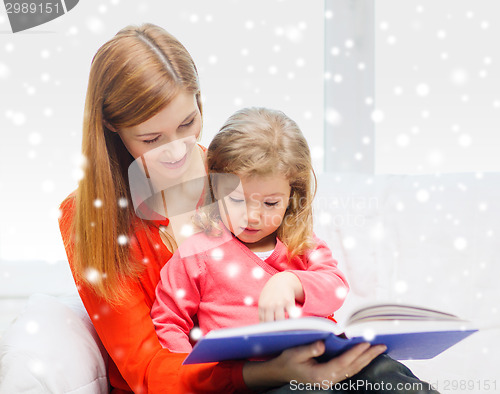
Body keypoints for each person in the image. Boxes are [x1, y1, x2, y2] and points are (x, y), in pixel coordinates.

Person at [58, 23, 427, 393]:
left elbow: (300, 263)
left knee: (387, 377)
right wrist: (269, 372)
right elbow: (149, 370)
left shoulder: (238, 170)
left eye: (188, 122)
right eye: (151, 138)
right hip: (212, 385)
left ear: (200, 99)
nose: (178, 149)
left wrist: (319, 349)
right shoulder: (89, 220)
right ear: (111, 127)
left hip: (294, 363)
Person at [150, 108, 440, 394]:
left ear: (292, 197)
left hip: (324, 360)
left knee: (383, 371)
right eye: (237, 199)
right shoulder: (197, 253)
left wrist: (292, 281)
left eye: (270, 204)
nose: (253, 217)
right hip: (260, 382)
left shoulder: (301, 242)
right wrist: (196, 380)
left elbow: (336, 288)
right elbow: (168, 321)